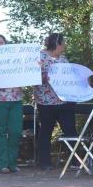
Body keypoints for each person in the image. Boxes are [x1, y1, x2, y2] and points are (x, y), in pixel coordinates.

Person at [34, 33, 77, 170]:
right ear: (58, 44)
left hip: (64, 101)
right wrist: (44, 78)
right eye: (64, 43)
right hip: (45, 101)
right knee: (46, 131)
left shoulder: (63, 58)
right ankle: (45, 162)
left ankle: (75, 161)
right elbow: (31, 77)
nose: (65, 45)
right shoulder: (39, 57)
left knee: (70, 130)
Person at [0, 34, 23, 173]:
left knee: (15, 131)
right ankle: (2, 164)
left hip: (16, 99)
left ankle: (12, 163)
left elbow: (27, 70)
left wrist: (35, 66)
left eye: (1, 42)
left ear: (6, 44)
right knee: (0, 132)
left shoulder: (16, 58)